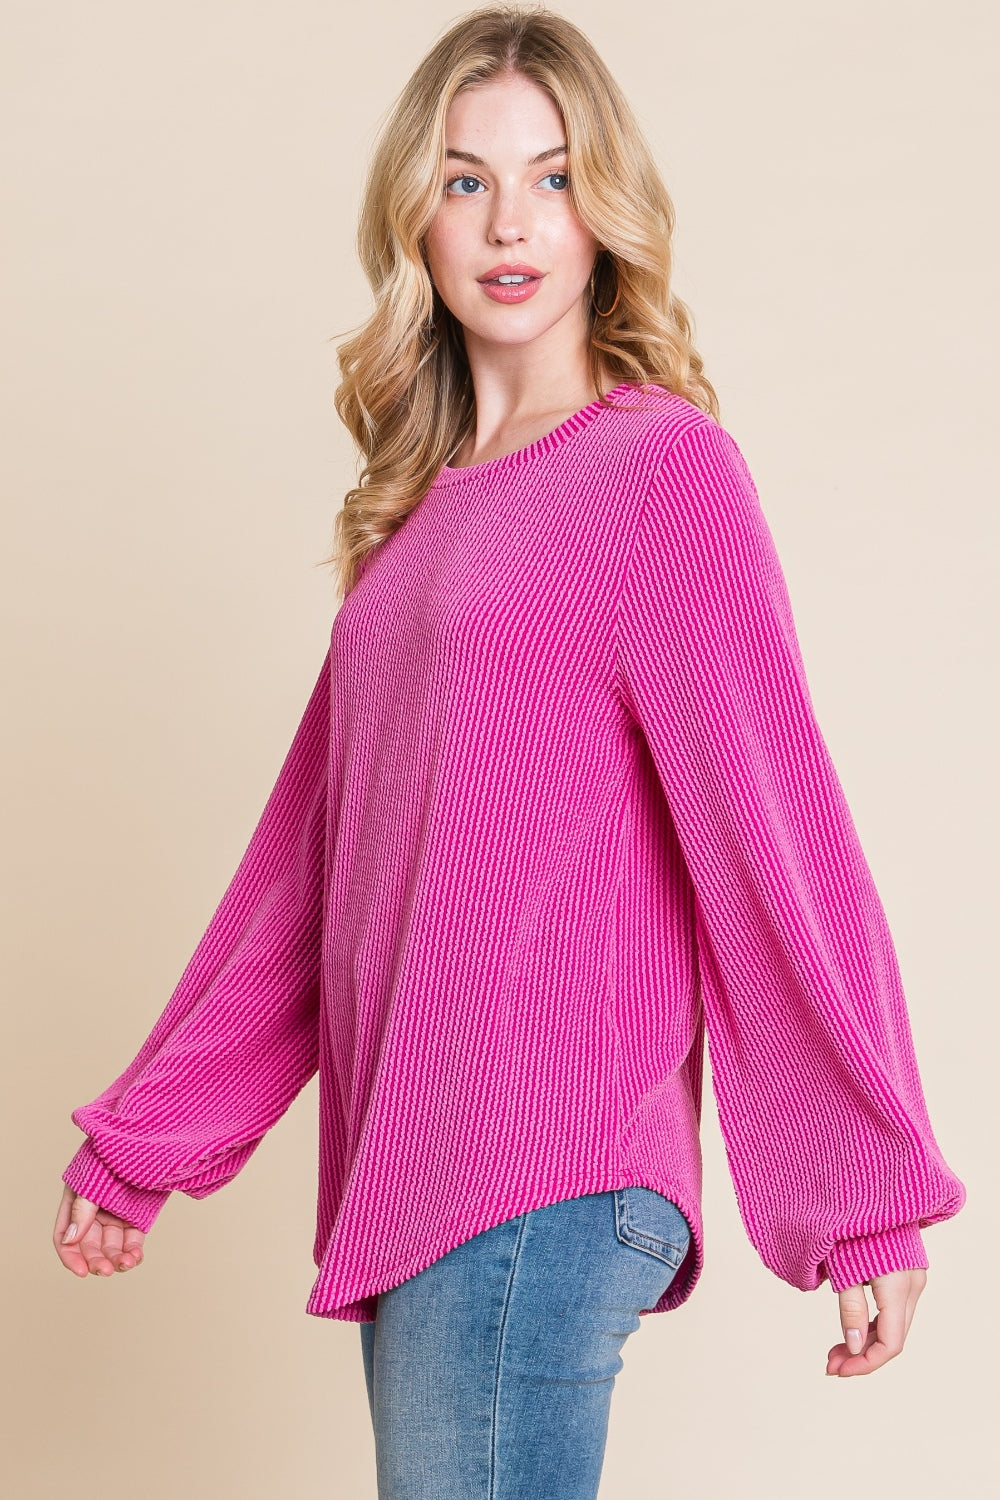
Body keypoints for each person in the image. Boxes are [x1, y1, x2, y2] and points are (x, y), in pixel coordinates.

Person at [52, 6, 967, 1496]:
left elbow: (772, 829)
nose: (510, 222)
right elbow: (308, 881)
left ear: (608, 211)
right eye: (466, 180)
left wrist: (860, 1186)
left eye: (554, 177)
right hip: (428, 1181)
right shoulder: (415, 532)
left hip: (539, 1171)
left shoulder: (657, 470)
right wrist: (150, 1139)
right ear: (413, 215)